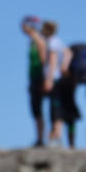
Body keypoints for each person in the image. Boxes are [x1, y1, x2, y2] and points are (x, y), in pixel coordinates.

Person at [43, 21, 79, 148]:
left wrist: (49, 79)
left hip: (55, 80)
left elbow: (52, 62)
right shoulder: (58, 41)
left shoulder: (51, 43)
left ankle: (56, 138)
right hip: (61, 79)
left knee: (55, 110)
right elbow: (69, 53)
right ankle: (56, 137)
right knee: (59, 109)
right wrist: (64, 67)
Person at [22, 16, 49, 147]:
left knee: (39, 109)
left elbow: (44, 61)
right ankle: (39, 138)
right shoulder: (32, 41)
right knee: (36, 110)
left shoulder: (39, 41)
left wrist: (45, 80)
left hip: (39, 79)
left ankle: (41, 138)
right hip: (34, 79)